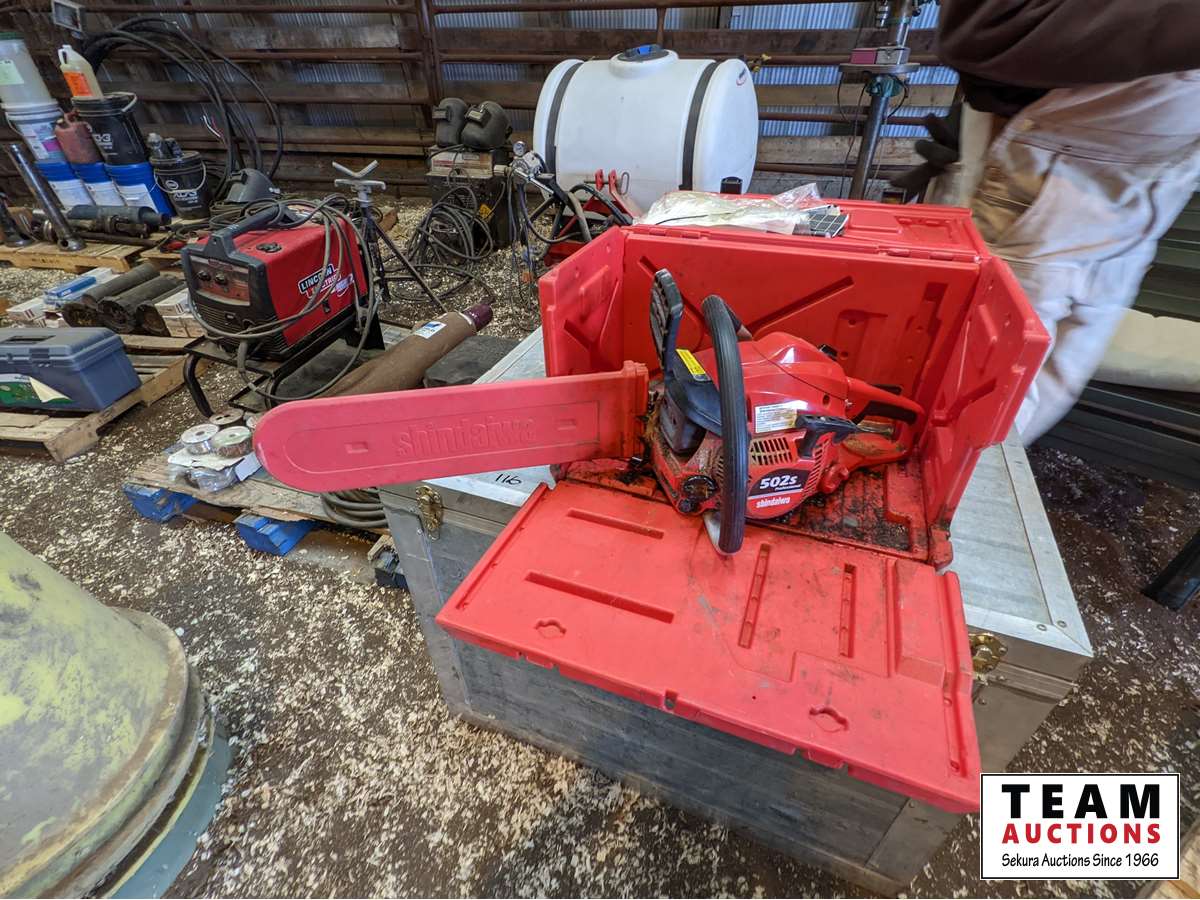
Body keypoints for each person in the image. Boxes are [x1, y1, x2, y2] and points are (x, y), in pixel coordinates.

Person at [932, 1, 1200, 444]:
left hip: (1141, 206)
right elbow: (983, 30)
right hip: (1047, 198)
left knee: (1032, 404)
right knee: (975, 424)